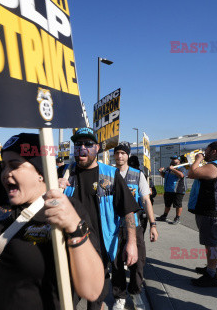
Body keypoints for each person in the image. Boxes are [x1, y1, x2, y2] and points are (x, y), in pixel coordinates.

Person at [0, 34, 105, 309]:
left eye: (15, 166)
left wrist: (74, 227)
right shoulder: (4, 195)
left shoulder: (67, 209)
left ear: (42, 172)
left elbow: (93, 289)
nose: (5, 173)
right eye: (4, 166)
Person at [58, 128, 140, 310]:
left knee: (95, 301)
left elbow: (128, 210)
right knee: (66, 300)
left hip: (100, 251)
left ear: (97, 148)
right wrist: (54, 189)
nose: (82, 148)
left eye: (88, 144)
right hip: (68, 247)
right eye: (78, 144)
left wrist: (132, 243)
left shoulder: (110, 174)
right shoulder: (64, 173)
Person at [111, 142, 158, 310]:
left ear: (128, 155)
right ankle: (119, 297)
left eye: (123, 153)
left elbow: (146, 200)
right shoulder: (108, 174)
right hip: (114, 227)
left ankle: (136, 293)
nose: (120, 156)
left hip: (135, 226)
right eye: (117, 153)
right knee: (116, 264)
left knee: (138, 263)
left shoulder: (138, 175)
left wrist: (153, 224)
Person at [188, 141, 217, 287]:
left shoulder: (214, 166)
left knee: (212, 243)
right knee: (215, 240)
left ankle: (211, 275)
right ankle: (213, 267)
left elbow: (192, 173)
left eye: (206, 150)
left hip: (213, 210)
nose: (204, 153)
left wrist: (198, 159)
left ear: (213, 151)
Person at [156, 155, 187, 224]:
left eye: (174, 159)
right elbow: (164, 176)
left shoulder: (181, 168)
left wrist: (173, 169)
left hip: (178, 190)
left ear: (179, 161)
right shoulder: (168, 168)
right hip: (168, 190)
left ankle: (177, 218)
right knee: (167, 204)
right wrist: (161, 172)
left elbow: (181, 175)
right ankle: (164, 216)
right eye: (172, 159)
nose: (172, 160)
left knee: (178, 205)